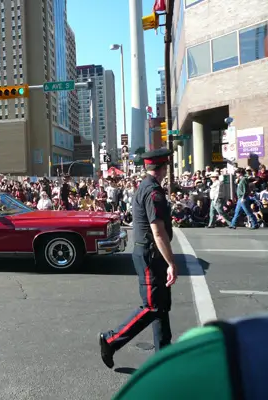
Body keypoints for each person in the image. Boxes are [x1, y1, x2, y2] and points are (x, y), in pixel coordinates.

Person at [98, 148, 177, 369]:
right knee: (152, 306)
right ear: (162, 168)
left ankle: (164, 357)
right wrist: (171, 262)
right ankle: (111, 340)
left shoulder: (146, 187)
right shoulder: (153, 192)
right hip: (151, 254)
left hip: (149, 252)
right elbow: (158, 232)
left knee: (160, 307)